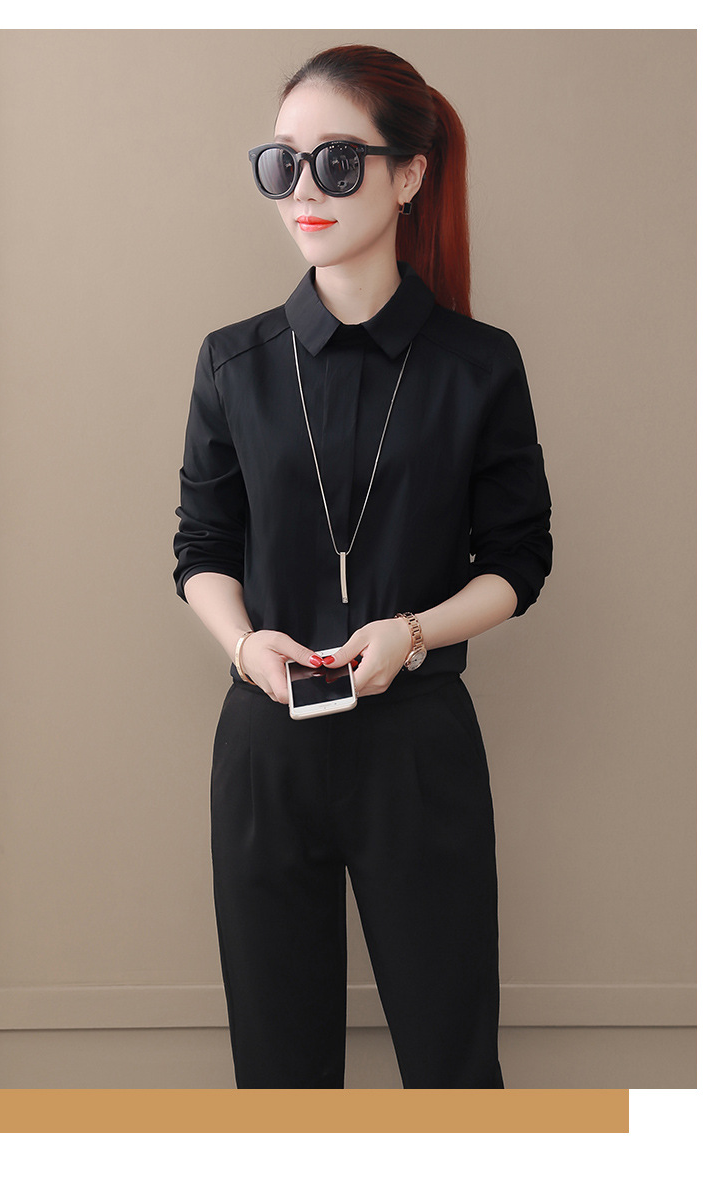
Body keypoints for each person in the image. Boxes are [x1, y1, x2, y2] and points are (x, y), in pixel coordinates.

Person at [173, 43, 552, 1089]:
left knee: (451, 1068)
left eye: (337, 162)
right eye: (281, 162)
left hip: (417, 747)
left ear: (408, 174)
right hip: (267, 746)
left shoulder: (479, 364)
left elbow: (519, 558)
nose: (303, 189)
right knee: (279, 1078)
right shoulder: (232, 362)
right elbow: (201, 547)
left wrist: (414, 632)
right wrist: (245, 645)